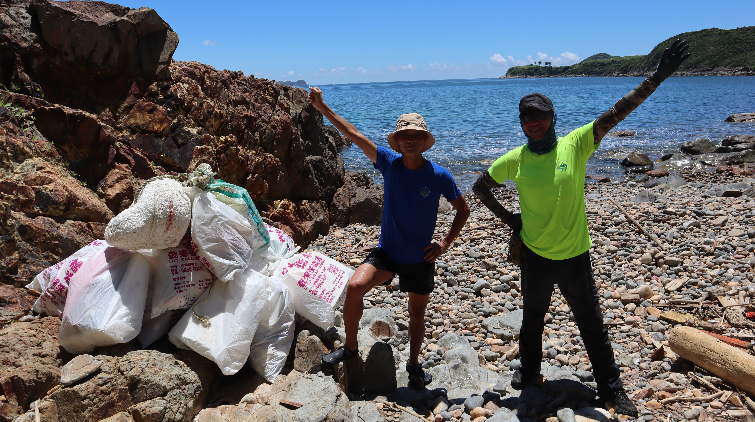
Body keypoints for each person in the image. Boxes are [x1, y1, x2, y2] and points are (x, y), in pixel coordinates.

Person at [472, 40, 690, 417]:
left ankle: (611, 389)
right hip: (536, 256)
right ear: (521, 123)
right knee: (531, 321)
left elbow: (618, 111)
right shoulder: (515, 159)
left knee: (591, 325)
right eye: (526, 117)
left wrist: (658, 76)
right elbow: (479, 188)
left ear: (552, 117)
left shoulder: (576, 144)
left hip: (575, 255)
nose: (532, 122)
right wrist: (514, 221)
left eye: (538, 116)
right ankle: (530, 373)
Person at [308, 87, 470, 387]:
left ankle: (413, 366)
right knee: (355, 286)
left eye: (417, 135)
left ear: (424, 141)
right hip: (389, 253)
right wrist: (322, 107)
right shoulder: (388, 163)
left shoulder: (439, 176)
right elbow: (353, 134)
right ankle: (351, 348)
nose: (410, 139)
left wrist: (444, 244)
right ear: (397, 140)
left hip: (421, 258)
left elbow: (463, 209)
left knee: (417, 314)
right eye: (405, 134)